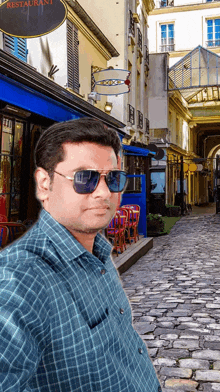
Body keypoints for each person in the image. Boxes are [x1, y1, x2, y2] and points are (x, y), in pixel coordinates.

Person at [0, 118, 161, 392]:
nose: (103, 192)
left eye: (113, 178)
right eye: (84, 178)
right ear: (44, 184)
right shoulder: (19, 280)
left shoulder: (97, 251)